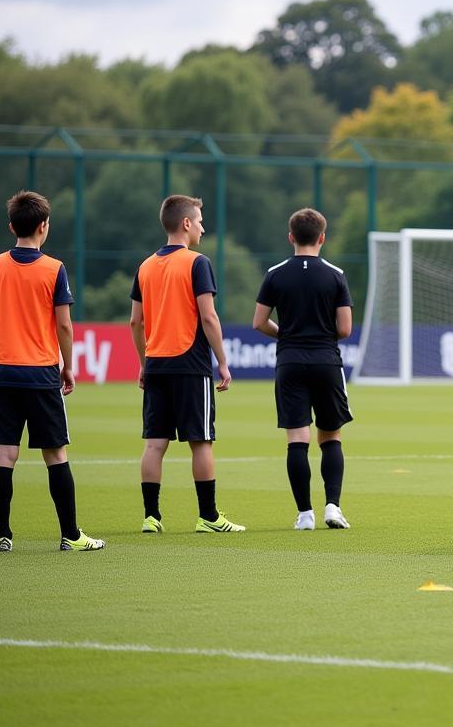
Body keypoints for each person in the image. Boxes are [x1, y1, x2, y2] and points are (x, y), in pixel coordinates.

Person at [0, 191, 105, 552]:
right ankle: (71, 535)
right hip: (41, 373)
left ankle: (2, 534)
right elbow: (64, 326)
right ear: (44, 226)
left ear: (12, 226)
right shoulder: (54, 269)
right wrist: (69, 365)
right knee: (55, 455)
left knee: (3, 455)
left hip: (2, 373)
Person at [129, 195, 243, 533]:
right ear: (187, 224)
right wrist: (222, 361)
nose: (204, 228)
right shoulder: (197, 263)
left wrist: (143, 362)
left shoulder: (145, 266)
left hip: (158, 365)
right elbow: (208, 316)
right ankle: (208, 517)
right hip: (191, 364)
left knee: (154, 443)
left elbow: (136, 322)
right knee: (201, 441)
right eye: (201, 221)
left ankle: (151, 517)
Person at [253, 208, 354, 531]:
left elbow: (258, 322)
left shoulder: (275, 273)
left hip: (290, 362)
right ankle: (333, 508)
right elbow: (346, 328)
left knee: (297, 438)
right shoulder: (335, 274)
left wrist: (288, 334)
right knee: (331, 436)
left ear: (291, 237)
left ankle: (304, 515)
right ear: (322, 237)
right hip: (326, 361)